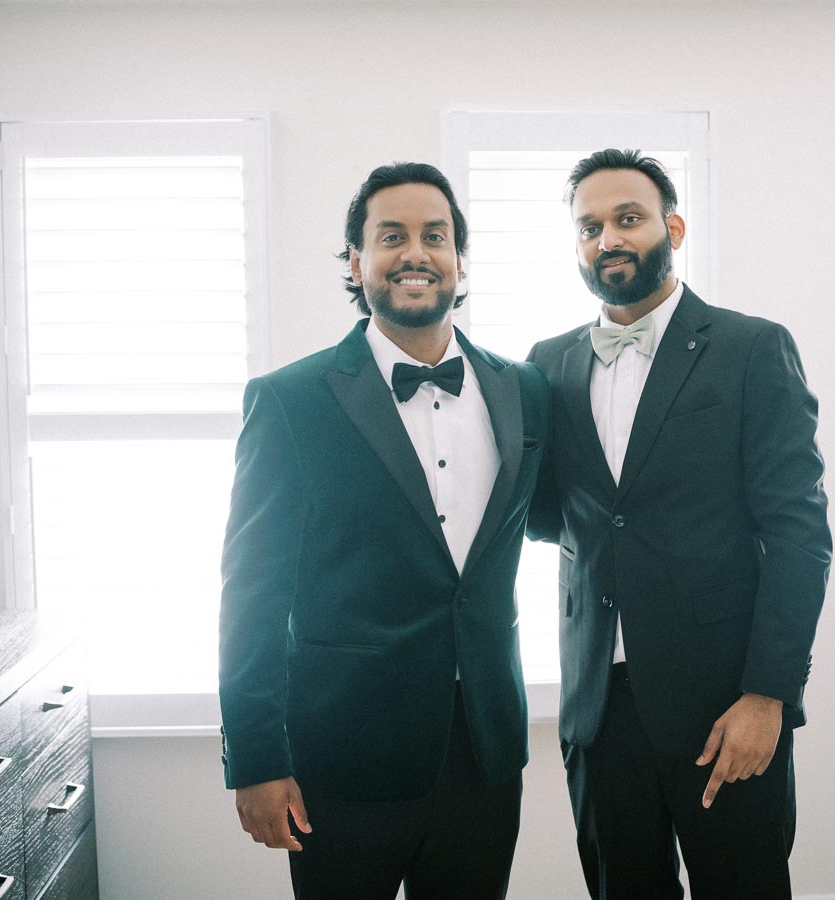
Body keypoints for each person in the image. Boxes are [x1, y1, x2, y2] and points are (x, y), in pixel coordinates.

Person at [219, 162, 548, 900]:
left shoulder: (523, 389)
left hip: (486, 752)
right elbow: (252, 595)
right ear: (355, 260)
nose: (415, 253)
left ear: (461, 261)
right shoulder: (289, 401)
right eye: (390, 236)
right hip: (342, 758)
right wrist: (255, 759)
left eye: (435, 235)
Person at [526, 149, 831, 899]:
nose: (608, 239)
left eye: (627, 218)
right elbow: (542, 517)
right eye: (589, 226)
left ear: (673, 227)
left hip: (725, 704)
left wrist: (769, 694)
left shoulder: (752, 348)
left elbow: (799, 535)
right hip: (598, 709)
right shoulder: (546, 364)